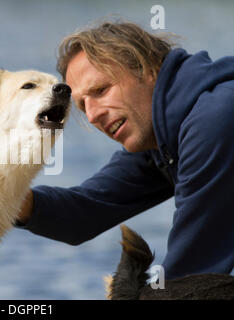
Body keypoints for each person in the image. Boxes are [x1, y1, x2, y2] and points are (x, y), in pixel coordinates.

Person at [16, 21, 234, 280]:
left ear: (147, 68)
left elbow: (191, 278)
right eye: (83, 107)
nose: (94, 115)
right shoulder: (163, 134)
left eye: (101, 91)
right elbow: (85, 212)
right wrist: (3, 197)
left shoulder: (213, 120)